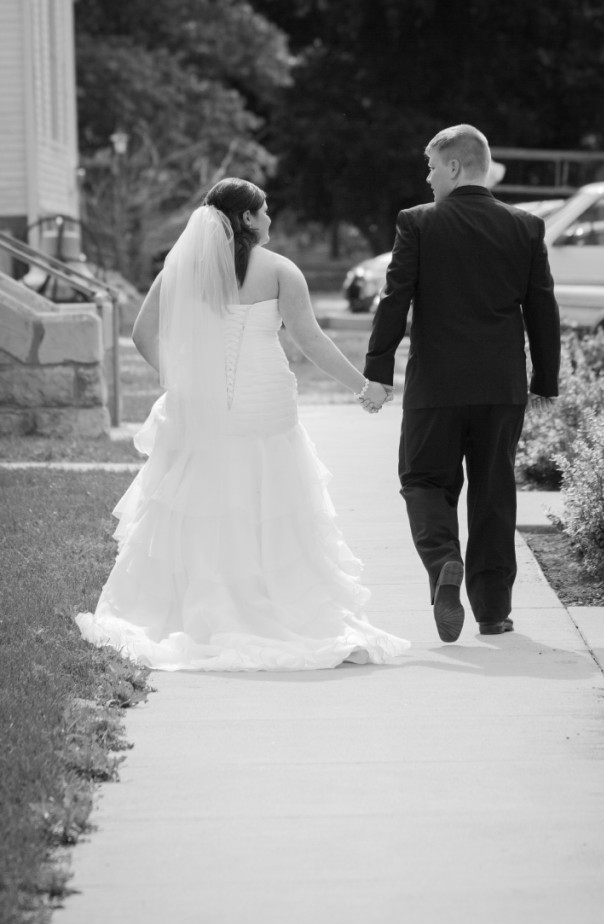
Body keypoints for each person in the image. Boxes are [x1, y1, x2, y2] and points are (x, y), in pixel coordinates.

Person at [76, 178, 407, 671]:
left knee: (200, 504)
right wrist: (366, 388)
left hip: (201, 411)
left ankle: (199, 608)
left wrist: (182, 382)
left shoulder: (180, 270)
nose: (271, 218)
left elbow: (144, 335)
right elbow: (311, 342)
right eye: (265, 210)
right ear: (248, 219)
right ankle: (273, 603)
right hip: (266, 409)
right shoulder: (279, 271)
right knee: (270, 506)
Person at [363, 125, 561, 642]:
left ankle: (444, 561)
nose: (427, 179)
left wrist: (379, 372)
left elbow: (394, 299)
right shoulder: (526, 226)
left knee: (423, 481)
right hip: (501, 387)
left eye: (431, 167)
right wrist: (544, 379)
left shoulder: (418, 223)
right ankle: (493, 612)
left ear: (454, 166)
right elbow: (542, 307)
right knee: (494, 494)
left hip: (436, 386)